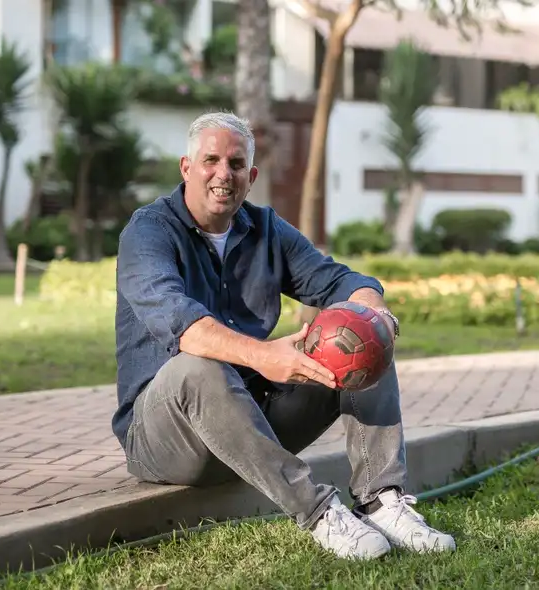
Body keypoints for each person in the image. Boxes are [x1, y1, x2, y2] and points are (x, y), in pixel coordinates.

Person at [112, 110, 456, 560]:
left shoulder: (266, 229)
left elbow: (342, 282)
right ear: (187, 168)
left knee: (362, 336)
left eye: (236, 165)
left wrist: (380, 317)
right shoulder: (149, 231)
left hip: (251, 424)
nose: (223, 174)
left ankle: (381, 501)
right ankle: (318, 512)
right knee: (197, 366)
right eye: (211, 160)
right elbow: (183, 324)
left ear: (250, 176)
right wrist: (263, 356)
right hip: (166, 440)